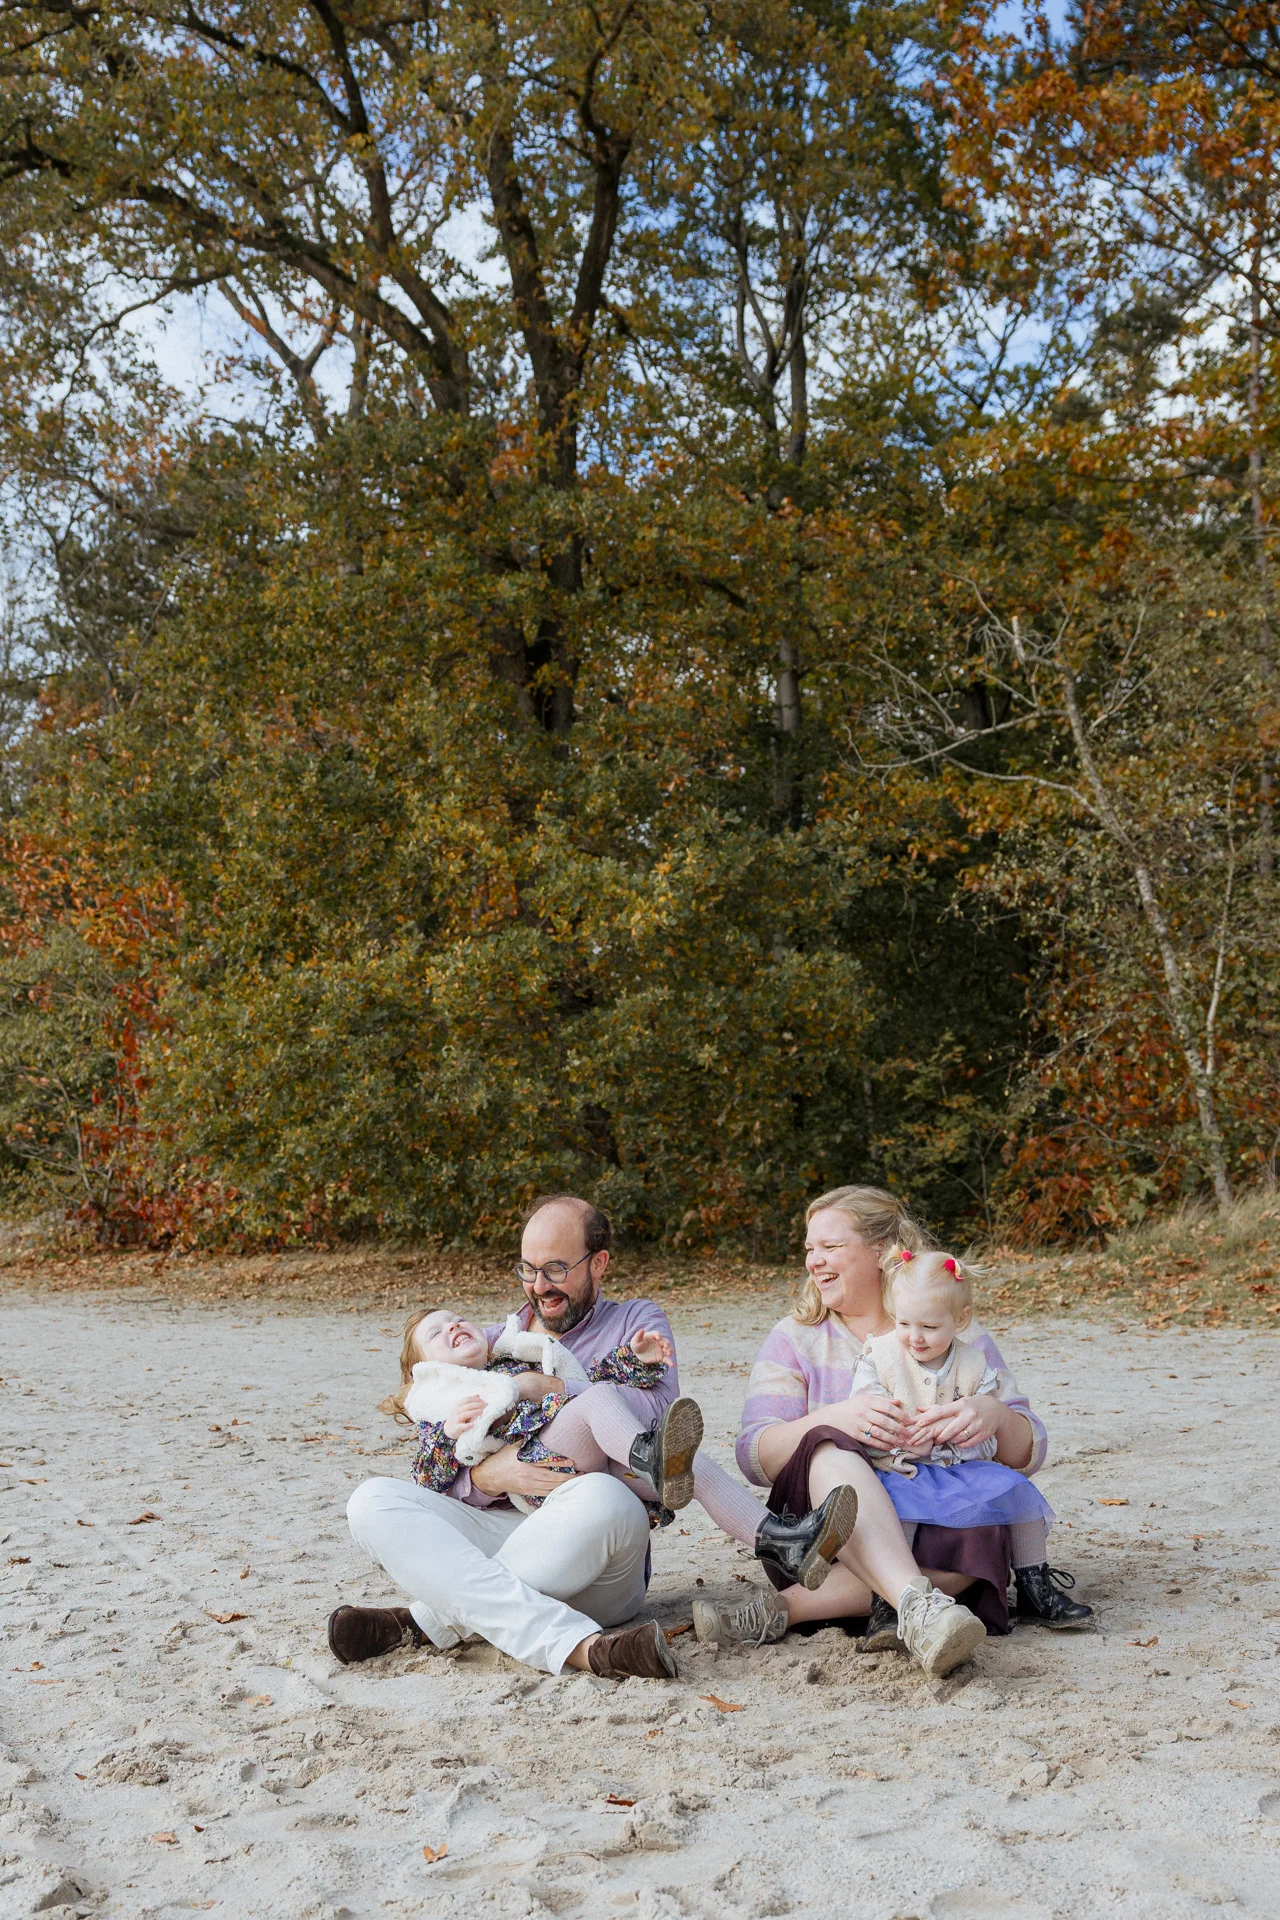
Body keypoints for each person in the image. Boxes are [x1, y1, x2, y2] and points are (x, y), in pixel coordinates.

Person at [332, 1194, 850, 1682]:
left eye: (556, 1269)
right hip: (518, 1520)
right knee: (371, 1501)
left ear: (597, 1264)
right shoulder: (492, 1345)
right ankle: (467, 1626)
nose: (540, 1285)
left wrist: (548, 1385)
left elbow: (654, 1411)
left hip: (598, 1542)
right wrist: (489, 1476)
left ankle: (427, 1620)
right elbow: (436, 1474)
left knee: (636, 1471)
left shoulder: (635, 1322)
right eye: (529, 1270)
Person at [692, 1185, 1089, 1667]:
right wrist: (834, 1419)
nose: (814, 1261)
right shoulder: (796, 1338)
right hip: (824, 1538)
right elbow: (753, 1453)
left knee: (985, 1532)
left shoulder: (950, 1332)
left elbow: (1029, 1452)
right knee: (831, 1447)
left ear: (880, 1252)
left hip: (936, 1518)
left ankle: (808, 1609)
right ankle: (912, 1606)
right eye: (809, 1249)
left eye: (830, 1247)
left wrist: (995, 1416)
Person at [387, 1303, 856, 1578]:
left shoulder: (513, 1359)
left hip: (582, 1462)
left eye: (457, 1319)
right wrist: (448, 1436)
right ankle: (652, 1457)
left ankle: (782, 1543)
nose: (452, 1326)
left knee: (695, 1468)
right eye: (436, 1331)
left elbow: (586, 1378)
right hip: (537, 1469)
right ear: (423, 1368)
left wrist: (635, 1359)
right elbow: (427, 1480)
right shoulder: (441, 1400)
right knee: (601, 1401)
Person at [850, 1245, 1061, 1596]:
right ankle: (890, 1598)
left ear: (960, 1320)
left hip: (961, 1467)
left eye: (930, 1326)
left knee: (1019, 1494)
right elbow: (864, 1411)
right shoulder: (879, 1357)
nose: (915, 1337)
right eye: (904, 1323)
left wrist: (966, 1436)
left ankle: (1034, 1583)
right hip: (902, 1468)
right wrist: (901, 1437)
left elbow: (988, 1433)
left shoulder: (975, 1365)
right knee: (896, 1514)